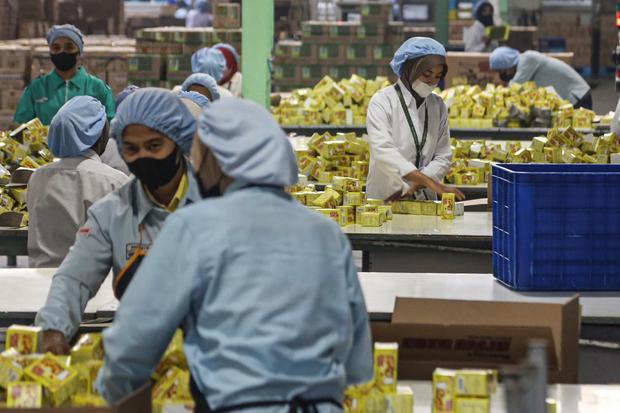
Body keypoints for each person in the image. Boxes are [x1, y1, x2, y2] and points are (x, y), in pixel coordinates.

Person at [96, 98, 373, 411]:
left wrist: (112, 392)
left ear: (217, 160)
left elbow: (134, 341)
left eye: (198, 157)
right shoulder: (327, 234)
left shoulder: (193, 227)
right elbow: (358, 362)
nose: (195, 169)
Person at [35, 88, 203, 354]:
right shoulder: (112, 213)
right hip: (142, 353)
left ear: (178, 141)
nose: (144, 156)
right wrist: (53, 328)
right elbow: (75, 278)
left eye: (154, 145)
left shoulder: (216, 202)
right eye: (132, 148)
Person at [27, 96, 129, 268]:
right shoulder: (114, 181)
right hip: (94, 281)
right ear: (98, 135)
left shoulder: (38, 177)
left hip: (40, 277)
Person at [366, 37, 465, 202]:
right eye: (427, 74)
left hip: (424, 201)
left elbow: (443, 155)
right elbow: (382, 150)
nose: (432, 82)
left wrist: (418, 183)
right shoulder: (383, 101)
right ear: (410, 68)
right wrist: (428, 182)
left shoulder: (437, 105)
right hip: (385, 199)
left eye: (438, 76)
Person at [14, 25, 115, 126]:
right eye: (56, 48)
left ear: (79, 52)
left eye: (69, 47)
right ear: (50, 52)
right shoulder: (36, 88)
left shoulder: (98, 88)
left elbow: (110, 126)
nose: (62, 52)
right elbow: (20, 125)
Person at [489, 46, 592, 109]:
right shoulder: (524, 65)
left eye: (502, 71)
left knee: (577, 135)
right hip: (570, 97)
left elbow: (514, 87)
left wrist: (495, 96)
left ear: (508, 64)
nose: (503, 75)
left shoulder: (527, 59)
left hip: (577, 95)